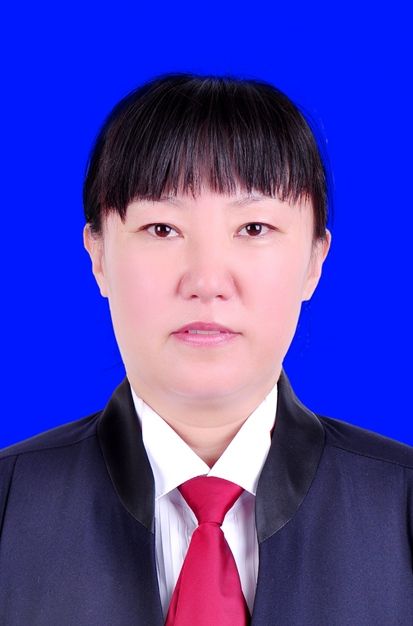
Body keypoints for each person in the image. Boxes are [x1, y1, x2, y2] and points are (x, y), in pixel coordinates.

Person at [0, 73, 412, 626]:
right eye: (162, 229)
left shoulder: (403, 506)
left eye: (254, 227)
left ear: (316, 260)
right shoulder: (8, 503)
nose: (207, 281)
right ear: (97, 254)